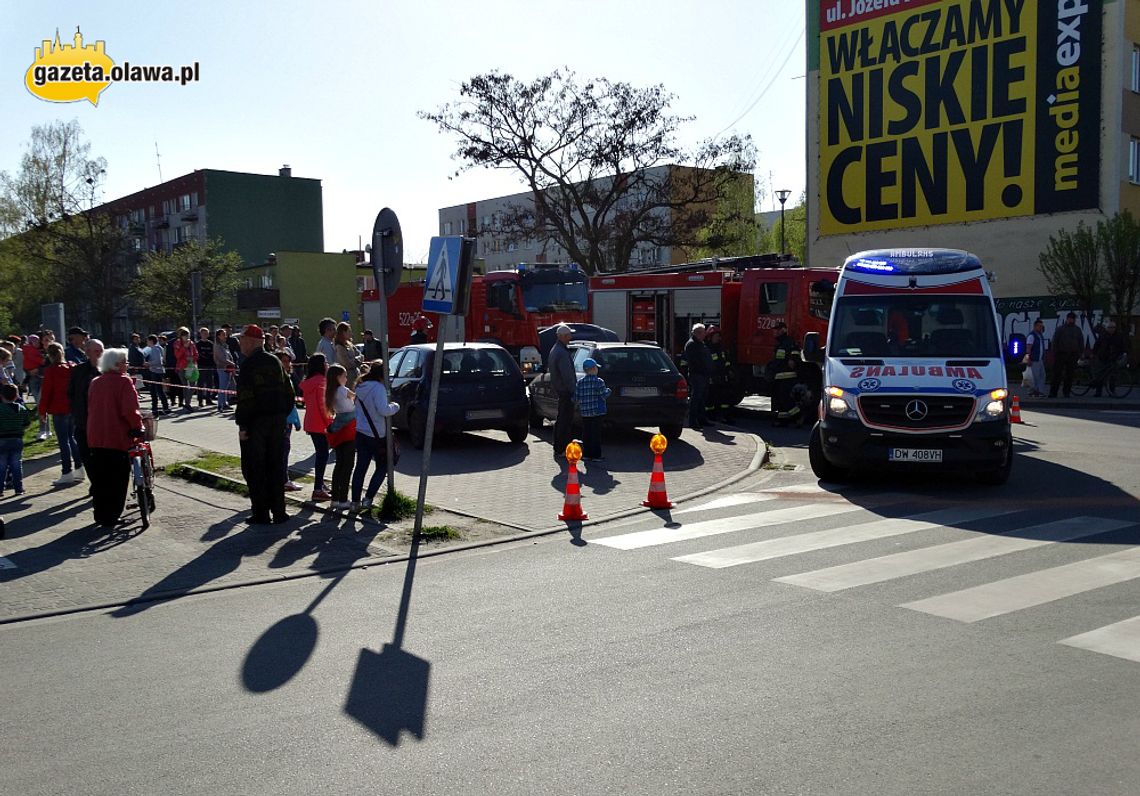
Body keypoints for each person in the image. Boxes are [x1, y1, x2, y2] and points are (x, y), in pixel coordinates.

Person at [234, 325, 295, 525]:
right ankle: (279, 512)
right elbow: (289, 392)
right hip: (277, 421)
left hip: (256, 423)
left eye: (242, 339)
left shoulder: (249, 365)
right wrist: (281, 415)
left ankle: (261, 513)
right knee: (276, 466)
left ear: (251, 341)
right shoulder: (275, 361)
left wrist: (243, 426)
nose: (240, 343)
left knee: (255, 468)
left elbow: (245, 398)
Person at [86, 348, 145, 529]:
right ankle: (113, 515)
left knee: (100, 477)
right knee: (118, 478)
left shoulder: (96, 382)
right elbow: (130, 410)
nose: (127, 366)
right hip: (116, 435)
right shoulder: (123, 382)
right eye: (125, 362)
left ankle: (100, 513)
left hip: (96, 435)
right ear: (118, 364)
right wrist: (138, 427)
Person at [350, 360, 400, 511]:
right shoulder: (378, 388)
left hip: (361, 431)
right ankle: (368, 499)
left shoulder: (360, 386)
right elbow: (383, 410)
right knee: (384, 465)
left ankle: (354, 502)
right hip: (377, 434)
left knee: (360, 468)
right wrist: (395, 406)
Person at [39, 342, 83, 486]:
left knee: (63, 441)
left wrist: (42, 411)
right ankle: (79, 467)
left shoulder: (51, 371)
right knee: (72, 438)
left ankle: (66, 471)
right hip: (72, 407)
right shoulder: (72, 367)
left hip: (58, 408)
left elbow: (46, 393)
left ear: (49, 356)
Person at [67, 337, 105, 473]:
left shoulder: (109, 371)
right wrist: (75, 412)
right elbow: (71, 393)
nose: (100, 354)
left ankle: (100, 486)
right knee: (86, 455)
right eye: (96, 351)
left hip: (103, 424)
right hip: (83, 422)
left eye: (102, 351)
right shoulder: (78, 371)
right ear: (87, 352)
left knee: (102, 458)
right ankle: (95, 483)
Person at [324, 363, 357, 511]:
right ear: (338, 377)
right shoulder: (343, 390)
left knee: (339, 465)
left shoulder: (331, 391)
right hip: (349, 430)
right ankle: (343, 499)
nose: (346, 378)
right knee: (348, 466)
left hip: (339, 431)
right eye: (344, 376)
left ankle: (335, 498)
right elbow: (355, 397)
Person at [300, 354, 332, 502]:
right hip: (320, 424)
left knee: (321, 454)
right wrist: (329, 422)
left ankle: (320, 485)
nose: (327, 364)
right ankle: (318, 489)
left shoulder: (309, 382)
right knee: (322, 455)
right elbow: (322, 405)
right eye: (325, 362)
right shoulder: (322, 382)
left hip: (311, 422)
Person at [275, 350, 303, 492]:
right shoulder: (279, 380)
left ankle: (281, 479)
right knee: (283, 451)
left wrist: (296, 420)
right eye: (284, 361)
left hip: (287, 420)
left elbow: (291, 403)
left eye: (288, 361)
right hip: (282, 421)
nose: (288, 363)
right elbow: (287, 403)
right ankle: (283, 480)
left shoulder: (288, 377)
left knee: (284, 450)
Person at [548, 324, 577, 458]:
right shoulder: (561, 352)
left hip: (561, 390)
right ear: (564, 336)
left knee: (562, 419)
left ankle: (559, 447)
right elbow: (567, 375)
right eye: (569, 335)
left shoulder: (556, 350)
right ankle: (562, 447)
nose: (570, 337)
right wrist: (573, 391)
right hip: (565, 391)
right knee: (565, 421)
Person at [573, 357, 610, 462]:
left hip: (585, 412)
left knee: (586, 433)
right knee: (596, 434)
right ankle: (596, 455)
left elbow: (576, 397)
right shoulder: (599, 382)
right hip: (597, 412)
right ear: (593, 369)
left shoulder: (580, 382)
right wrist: (608, 391)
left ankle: (586, 454)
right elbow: (603, 395)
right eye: (596, 368)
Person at [0, 384, 33, 497]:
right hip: (17, 439)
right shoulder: (22, 409)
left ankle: (0, 489)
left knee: (1, 465)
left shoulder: (0, 409)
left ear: (1, 396)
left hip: (2, 440)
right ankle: (18, 488)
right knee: (16, 464)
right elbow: (27, 423)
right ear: (16, 396)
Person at [704, 326, 738, 423]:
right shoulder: (706, 350)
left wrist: (729, 371)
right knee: (710, 399)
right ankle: (710, 416)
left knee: (725, 398)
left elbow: (726, 362)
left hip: (723, 378)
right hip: (712, 379)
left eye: (719, 336)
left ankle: (725, 416)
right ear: (710, 337)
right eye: (716, 336)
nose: (719, 338)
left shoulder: (721, 349)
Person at [683, 323, 713, 431]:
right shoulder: (691, 345)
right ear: (698, 333)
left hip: (703, 375)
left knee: (702, 398)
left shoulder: (700, 343)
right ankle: (692, 421)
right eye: (703, 332)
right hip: (697, 375)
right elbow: (695, 361)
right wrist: (704, 369)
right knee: (696, 398)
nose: (705, 334)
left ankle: (702, 419)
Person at [1049, 312, 1084, 398]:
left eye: (1073, 319)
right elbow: (1055, 341)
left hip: (1073, 355)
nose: (1072, 320)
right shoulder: (1060, 329)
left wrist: (1079, 353)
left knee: (1070, 375)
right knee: (1057, 374)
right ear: (1067, 319)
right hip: (1061, 354)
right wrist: (1055, 352)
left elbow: (1081, 342)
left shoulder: (1077, 330)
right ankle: (1053, 392)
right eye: (1070, 318)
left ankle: (1066, 392)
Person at [1091, 319, 1128, 397]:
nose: (1112, 329)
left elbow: (1123, 346)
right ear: (1107, 328)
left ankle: (1112, 391)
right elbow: (1097, 345)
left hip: (1114, 358)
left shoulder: (1119, 336)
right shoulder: (1103, 335)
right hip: (1103, 357)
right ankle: (1098, 392)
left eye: (1113, 327)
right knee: (1100, 375)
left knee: (1113, 376)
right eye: (1110, 327)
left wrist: (1124, 353)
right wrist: (1094, 353)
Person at [22, 334, 49, 440]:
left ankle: (44, 430)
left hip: (40, 378)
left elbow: (46, 364)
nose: (39, 343)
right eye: (36, 341)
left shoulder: (41, 351)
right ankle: (46, 429)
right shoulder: (30, 350)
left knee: (41, 403)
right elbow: (28, 363)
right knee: (40, 404)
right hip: (34, 378)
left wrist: (37, 370)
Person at [142, 334, 170, 415]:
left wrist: (148, 364)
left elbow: (158, 361)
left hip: (156, 371)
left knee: (157, 391)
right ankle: (158, 407)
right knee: (156, 391)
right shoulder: (158, 348)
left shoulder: (154, 349)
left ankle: (163, 407)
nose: (147, 342)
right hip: (157, 371)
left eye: (147, 341)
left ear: (151, 341)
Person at [172, 327, 199, 410]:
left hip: (191, 366)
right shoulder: (177, 343)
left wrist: (193, 358)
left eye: (187, 335)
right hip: (182, 367)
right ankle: (187, 403)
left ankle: (187, 401)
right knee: (186, 386)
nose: (186, 337)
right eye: (184, 335)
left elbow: (196, 354)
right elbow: (177, 355)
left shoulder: (192, 343)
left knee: (193, 385)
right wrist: (184, 347)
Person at [213, 328, 236, 412]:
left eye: (225, 334)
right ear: (218, 336)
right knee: (222, 387)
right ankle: (220, 405)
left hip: (228, 368)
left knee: (226, 386)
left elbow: (229, 356)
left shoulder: (225, 345)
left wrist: (232, 363)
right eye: (223, 334)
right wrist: (231, 363)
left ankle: (225, 403)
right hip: (222, 368)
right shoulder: (217, 346)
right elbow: (222, 358)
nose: (225, 336)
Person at [1023, 319, 1047, 398]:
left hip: (1039, 359)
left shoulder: (1039, 335)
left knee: (1041, 375)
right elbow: (1028, 348)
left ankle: (1039, 391)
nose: (1041, 328)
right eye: (1039, 326)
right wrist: (1028, 359)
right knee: (1033, 377)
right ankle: (1032, 392)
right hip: (1033, 360)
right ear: (1035, 326)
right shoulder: (1031, 336)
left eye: (1041, 326)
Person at [333, 321, 362, 385]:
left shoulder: (350, 344)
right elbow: (347, 364)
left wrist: (356, 359)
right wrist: (356, 360)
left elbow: (361, 355)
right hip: (347, 378)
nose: (351, 333)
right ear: (343, 332)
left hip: (356, 375)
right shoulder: (339, 347)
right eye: (349, 331)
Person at [194, 327, 216, 408]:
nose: (205, 335)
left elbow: (213, 354)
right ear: (200, 334)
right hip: (201, 365)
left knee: (209, 383)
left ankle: (208, 399)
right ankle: (200, 400)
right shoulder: (198, 344)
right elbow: (197, 354)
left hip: (209, 365)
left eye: (206, 333)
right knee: (201, 383)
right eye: (203, 333)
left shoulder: (211, 343)